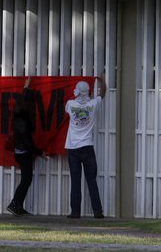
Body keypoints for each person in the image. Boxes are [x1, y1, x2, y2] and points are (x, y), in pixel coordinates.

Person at [65, 73, 106, 219]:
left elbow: (66, 110)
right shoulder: (93, 104)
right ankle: (98, 212)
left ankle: (75, 212)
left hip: (73, 148)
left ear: (77, 91)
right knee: (91, 180)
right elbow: (103, 93)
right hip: (88, 147)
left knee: (75, 181)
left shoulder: (70, 104)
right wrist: (103, 81)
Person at [7, 77, 45, 216]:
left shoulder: (18, 114)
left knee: (26, 180)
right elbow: (29, 144)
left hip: (20, 152)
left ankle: (18, 205)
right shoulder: (22, 122)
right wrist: (40, 152)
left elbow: (24, 100)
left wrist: (26, 87)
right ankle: (14, 203)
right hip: (23, 153)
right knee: (26, 180)